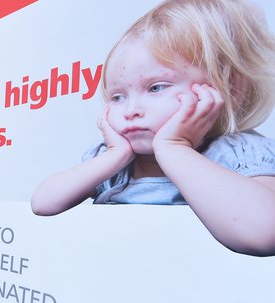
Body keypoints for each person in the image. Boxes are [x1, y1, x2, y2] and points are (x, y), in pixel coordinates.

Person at [31, 0, 275, 256]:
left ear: (230, 88)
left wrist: (174, 148)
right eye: (117, 97)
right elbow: (44, 203)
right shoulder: (115, 164)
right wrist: (116, 156)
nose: (130, 110)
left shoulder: (237, 154)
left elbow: (264, 232)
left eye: (156, 87)